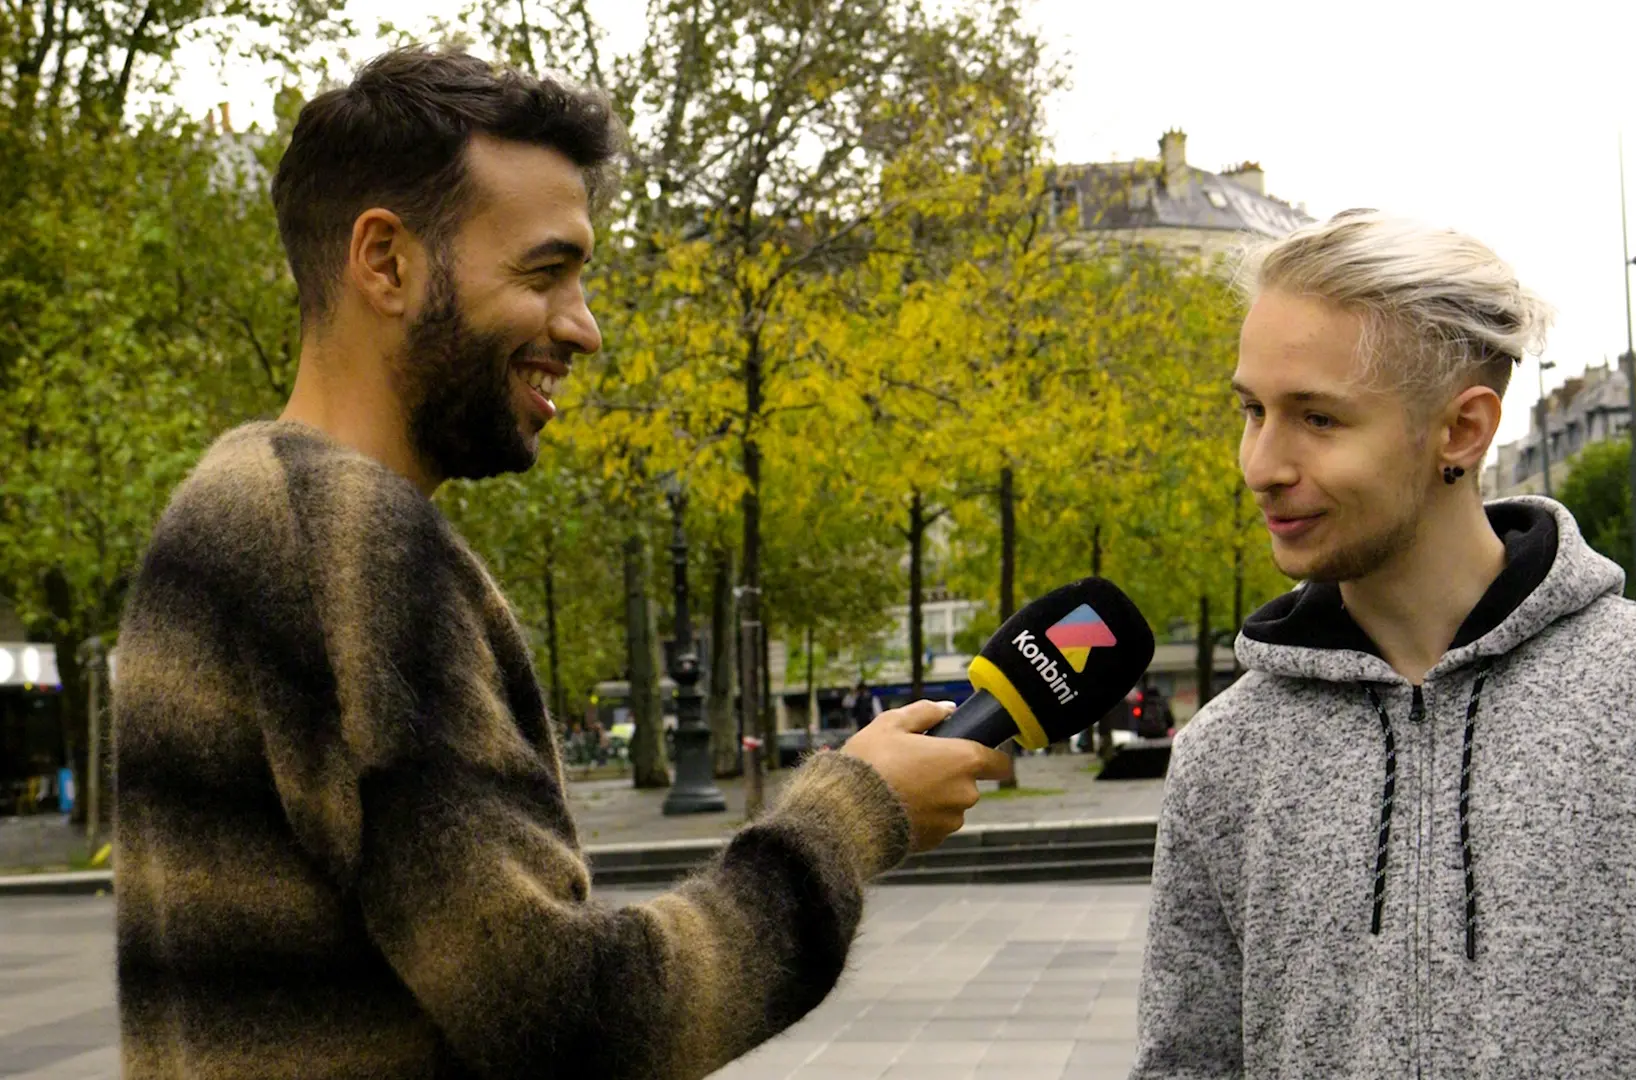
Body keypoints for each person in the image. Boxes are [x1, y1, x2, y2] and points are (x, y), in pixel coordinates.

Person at [111, 47, 1011, 1080]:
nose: (583, 327)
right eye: (544, 273)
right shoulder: (344, 539)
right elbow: (579, 1023)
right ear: (386, 261)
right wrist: (851, 815)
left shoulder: (224, 509)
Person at [1133, 211, 1636, 1078]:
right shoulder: (1226, 750)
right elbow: (1185, 1066)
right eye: (1253, 411)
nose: (1262, 464)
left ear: (1462, 431)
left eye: (1317, 419)